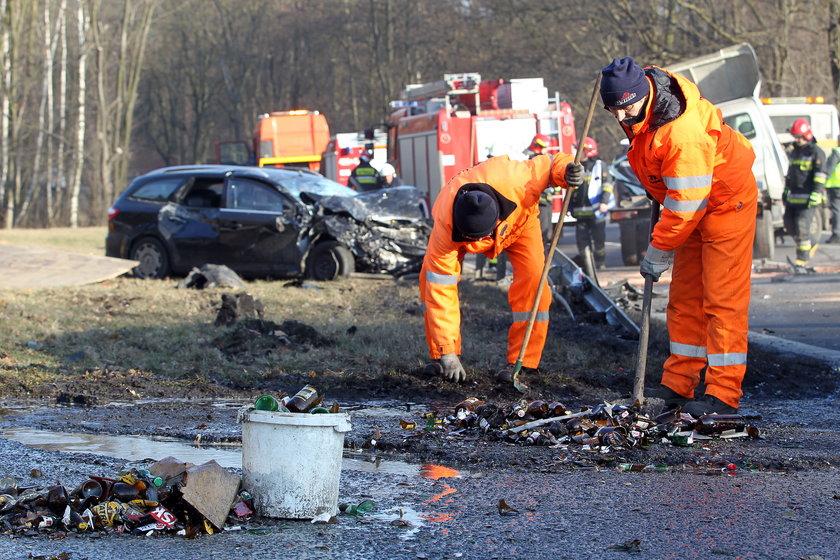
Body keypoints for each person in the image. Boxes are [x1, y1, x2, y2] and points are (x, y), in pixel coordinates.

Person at [600, 56, 758, 416]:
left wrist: (659, 249)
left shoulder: (681, 130)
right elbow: (673, 183)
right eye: (613, 111)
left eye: (626, 109)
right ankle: (679, 383)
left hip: (724, 203)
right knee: (684, 299)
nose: (621, 118)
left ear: (644, 95)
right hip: (690, 207)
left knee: (722, 301)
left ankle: (722, 393)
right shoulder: (643, 106)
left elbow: (688, 200)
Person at [419, 153, 584, 383]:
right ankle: (441, 355)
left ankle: (524, 362)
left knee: (535, 282)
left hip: (520, 225)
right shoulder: (444, 228)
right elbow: (441, 294)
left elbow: (549, 164)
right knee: (432, 281)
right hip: (459, 233)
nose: (477, 247)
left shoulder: (516, 178)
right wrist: (448, 353)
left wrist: (566, 171)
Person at [783, 118, 827, 263]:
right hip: (793, 197)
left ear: (807, 135)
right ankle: (809, 246)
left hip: (809, 197)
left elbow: (820, 175)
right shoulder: (795, 152)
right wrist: (786, 189)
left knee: (802, 227)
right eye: (796, 137)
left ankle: (802, 259)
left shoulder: (815, 152)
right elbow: (791, 173)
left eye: (800, 137)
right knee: (789, 224)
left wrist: (816, 192)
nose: (798, 140)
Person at [568, 137, 613, 269]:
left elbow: (607, 185)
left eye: (580, 150)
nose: (577, 153)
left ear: (588, 151)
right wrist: (569, 207)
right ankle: (587, 265)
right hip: (580, 213)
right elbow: (571, 189)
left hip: (596, 212)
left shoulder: (599, 166)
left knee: (599, 240)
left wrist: (604, 202)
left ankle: (600, 263)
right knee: (582, 241)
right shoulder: (575, 166)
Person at [523, 134, 556, 246]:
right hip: (536, 203)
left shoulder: (545, 160)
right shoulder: (529, 160)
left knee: (546, 234)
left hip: (545, 203)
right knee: (539, 235)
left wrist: (553, 189)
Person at [825, 136, 840, 244]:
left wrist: (821, 182)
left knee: (836, 210)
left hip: (836, 185)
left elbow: (828, 169)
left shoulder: (837, 152)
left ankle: (837, 234)